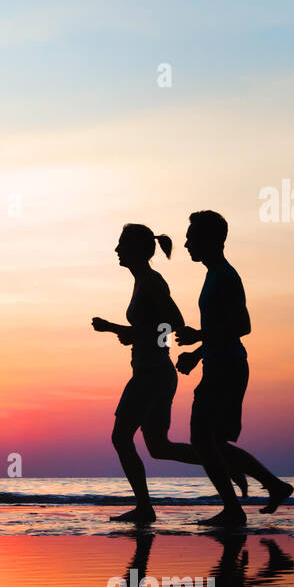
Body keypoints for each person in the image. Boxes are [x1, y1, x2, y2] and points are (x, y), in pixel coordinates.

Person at [92, 224, 247, 522]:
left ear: (138, 250)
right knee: (159, 447)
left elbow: (173, 323)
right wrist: (133, 334)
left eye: (121, 244)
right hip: (155, 372)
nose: (116, 250)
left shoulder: (151, 281)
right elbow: (156, 329)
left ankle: (145, 508)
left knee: (121, 437)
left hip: (151, 373)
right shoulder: (142, 282)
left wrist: (119, 329)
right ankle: (224, 466)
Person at [174, 211, 294, 526]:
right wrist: (198, 352)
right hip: (220, 363)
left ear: (212, 240)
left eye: (192, 236)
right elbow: (223, 328)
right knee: (212, 440)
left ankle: (233, 510)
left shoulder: (225, 276)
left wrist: (199, 340)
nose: (186, 243)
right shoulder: (213, 274)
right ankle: (274, 487)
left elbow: (242, 325)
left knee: (202, 440)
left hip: (227, 367)